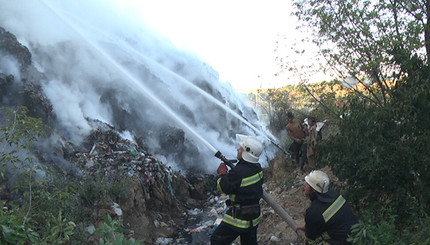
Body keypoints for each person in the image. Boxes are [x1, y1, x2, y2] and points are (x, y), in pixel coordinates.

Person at [210, 134, 264, 245]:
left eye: (241, 149)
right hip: (253, 217)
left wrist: (222, 173)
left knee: (217, 240)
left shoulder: (238, 173)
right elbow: (243, 181)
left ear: (246, 153)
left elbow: (223, 187)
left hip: (238, 217)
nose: (238, 149)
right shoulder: (257, 168)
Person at [296, 170, 358, 245]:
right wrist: (308, 226)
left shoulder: (313, 212)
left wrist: (309, 230)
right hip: (355, 233)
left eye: (307, 183)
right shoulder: (334, 193)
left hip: (342, 241)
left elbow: (311, 238)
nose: (304, 184)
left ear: (313, 189)